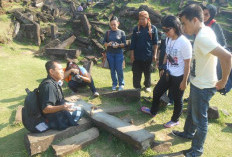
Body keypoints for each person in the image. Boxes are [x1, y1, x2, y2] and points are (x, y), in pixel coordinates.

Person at [172, 4, 231, 157]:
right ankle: (187, 133)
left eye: (184, 23)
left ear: (195, 20)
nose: (183, 28)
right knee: (192, 112)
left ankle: (197, 151)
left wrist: (223, 81)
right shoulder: (204, 31)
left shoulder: (203, 37)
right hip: (198, 81)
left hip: (204, 86)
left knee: (200, 119)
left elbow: (227, 56)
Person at [141, 15, 192, 128]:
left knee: (177, 99)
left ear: (176, 27)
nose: (165, 32)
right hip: (168, 72)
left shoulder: (184, 43)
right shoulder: (169, 39)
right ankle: (153, 111)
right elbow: (167, 54)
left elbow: (188, 64)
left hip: (180, 76)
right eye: (164, 30)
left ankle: (175, 120)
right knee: (157, 91)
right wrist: (163, 67)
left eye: (167, 30)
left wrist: (184, 81)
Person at [38, 61, 83, 130]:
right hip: (54, 119)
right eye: (60, 69)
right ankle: (67, 122)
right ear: (51, 71)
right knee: (80, 110)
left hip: (56, 113)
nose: (62, 71)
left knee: (75, 106)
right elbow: (46, 109)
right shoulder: (49, 86)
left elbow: (62, 78)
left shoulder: (52, 81)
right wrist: (63, 107)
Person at [130, 11, 158, 92]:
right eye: (140, 19)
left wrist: (155, 55)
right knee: (136, 73)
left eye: (143, 19)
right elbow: (133, 43)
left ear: (148, 19)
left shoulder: (153, 29)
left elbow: (155, 43)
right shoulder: (136, 29)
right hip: (137, 55)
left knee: (147, 72)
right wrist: (132, 55)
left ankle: (147, 86)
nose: (141, 21)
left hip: (148, 55)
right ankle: (137, 87)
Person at [103, 16, 126, 91]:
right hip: (110, 54)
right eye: (111, 24)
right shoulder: (108, 32)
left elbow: (125, 44)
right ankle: (114, 83)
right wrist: (108, 44)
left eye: (114, 24)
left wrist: (118, 45)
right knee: (112, 70)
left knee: (119, 69)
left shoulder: (122, 32)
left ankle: (121, 84)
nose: (113, 26)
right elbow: (103, 42)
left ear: (118, 23)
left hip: (119, 54)